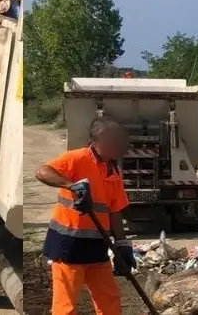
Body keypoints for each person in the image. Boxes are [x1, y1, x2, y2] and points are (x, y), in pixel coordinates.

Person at [35, 115, 136, 315]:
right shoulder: (78, 158)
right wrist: (71, 185)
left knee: (109, 300)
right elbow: (42, 171)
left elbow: (115, 210)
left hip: (98, 246)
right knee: (66, 306)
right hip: (68, 246)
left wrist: (123, 244)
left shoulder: (114, 169)